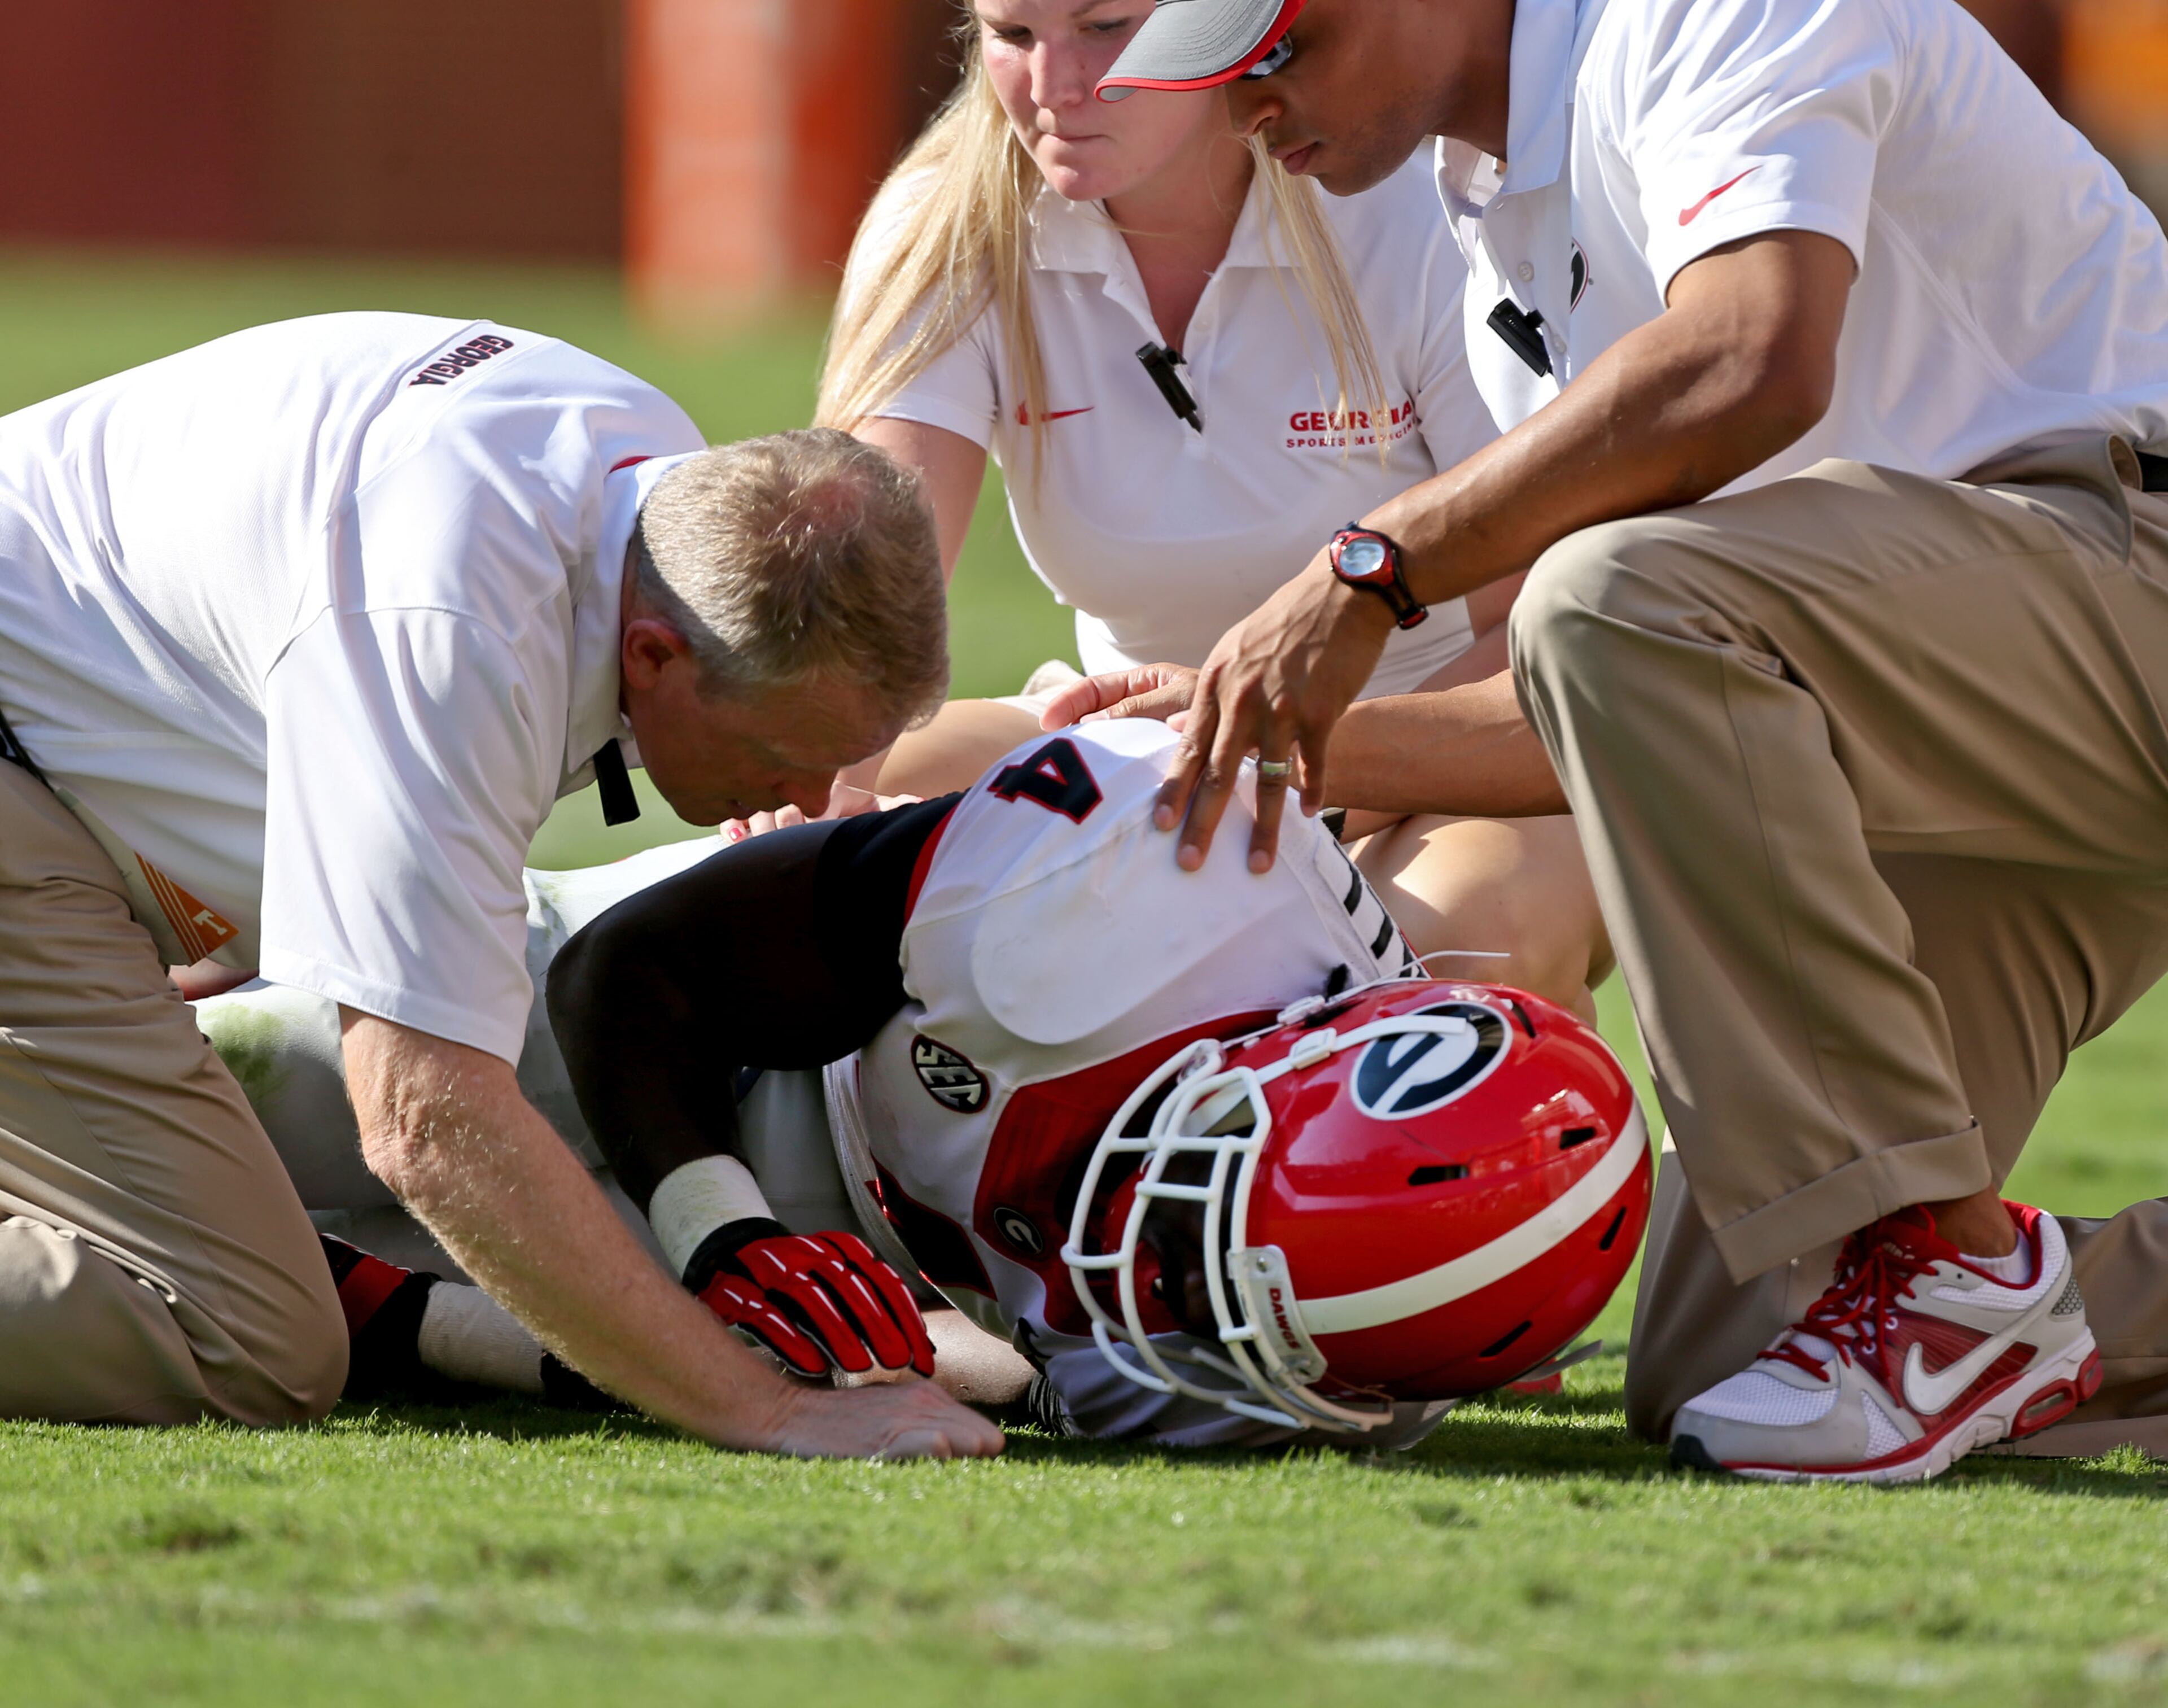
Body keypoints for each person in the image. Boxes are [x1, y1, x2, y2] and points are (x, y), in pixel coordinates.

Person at [1090, 0, 2168, 1480]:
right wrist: (1262, 745)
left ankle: (1949, 1272)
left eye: (1284, 50)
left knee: (1616, 594)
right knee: (1732, 1372)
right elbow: (1606, 711)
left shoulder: (1699, 12)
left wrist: (1371, 562)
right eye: (1226, 76)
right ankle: (1971, 1299)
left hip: (2134, 563)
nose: (1250, 110)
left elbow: (1754, 358)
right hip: (1995, 715)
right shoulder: (1498, 234)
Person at [0, 312, 998, 1460]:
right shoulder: (454, 622)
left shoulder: (647, 476)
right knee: (252, 1330)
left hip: (52, 774)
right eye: (789, 754)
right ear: (657, 658)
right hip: (27, 798)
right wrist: (767, 1408)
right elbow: (424, 1117)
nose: (817, 794)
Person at [794, 0, 1611, 1015]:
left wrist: (1275, 774)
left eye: (1107, 28)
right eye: (1013, 36)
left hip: (1446, 748)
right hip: (1140, 746)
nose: (1055, 90)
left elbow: (1535, 634)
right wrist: (814, 788)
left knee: (1446, 955)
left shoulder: (1404, 198)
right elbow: (866, 600)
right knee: (824, 857)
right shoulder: (950, 219)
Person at [546, 720, 1650, 1444]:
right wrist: (725, 1240)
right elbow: (632, 973)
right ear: (1290, 1048)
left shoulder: (1319, 1366)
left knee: (425, 1309)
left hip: (896, 1261)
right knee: (400, 1090)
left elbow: (1059, 1380)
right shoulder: (1139, 877)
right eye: (1182, 1228)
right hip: (771, 1035)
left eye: (1210, 1304)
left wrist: (902, 1348)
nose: (1144, 1278)